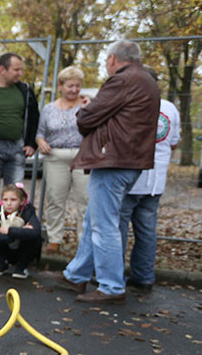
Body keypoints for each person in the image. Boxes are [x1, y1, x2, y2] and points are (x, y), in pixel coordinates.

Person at [60, 39, 160, 304]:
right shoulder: (147, 81)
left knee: (104, 225)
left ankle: (111, 286)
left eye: (106, 60)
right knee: (94, 220)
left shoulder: (121, 80)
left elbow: (88, 118)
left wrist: (84, 108)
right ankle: (77, 274)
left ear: (114, 59)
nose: (106, 64)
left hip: (113, 161)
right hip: (131, 160)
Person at [119, 66, 180, 293]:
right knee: (147, 230)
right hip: (156, 181)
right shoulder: (170, 108)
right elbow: (173, 141)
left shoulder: (133, 104)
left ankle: (114, 276)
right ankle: (144, 276)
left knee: (119, 228)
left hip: (131, 177)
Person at [0, 53, 40, 231]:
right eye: (16, 69)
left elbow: (34, 117)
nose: (20, 73)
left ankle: (11, 229)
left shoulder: (25, 91)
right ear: (2, 69)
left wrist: (31, 143)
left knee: (15, 192)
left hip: (17, 147)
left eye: (21, 69)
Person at [36, 65, 90, 253]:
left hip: (82, 156)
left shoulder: (87, 105)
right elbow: (40, 132)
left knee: (84, 199)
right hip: (56, 157)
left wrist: (87, 110)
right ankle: (54, 239)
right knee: (55, 199)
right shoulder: (49, 109)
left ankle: (84, 241)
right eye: (70, 86)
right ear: (60, 85)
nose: (74, 90)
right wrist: (40, 141)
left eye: (78, 86)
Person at [0, 183, 42, 279]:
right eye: (5, 200)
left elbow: (35, 232)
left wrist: (9, 231)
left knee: (35, 239)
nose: (9, 203)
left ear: (22, 201)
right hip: (4, 246)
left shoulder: (27, 210)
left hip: (22, 249)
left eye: (13, 200)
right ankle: (1, 263)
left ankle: (22, 266)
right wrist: (21, 232)